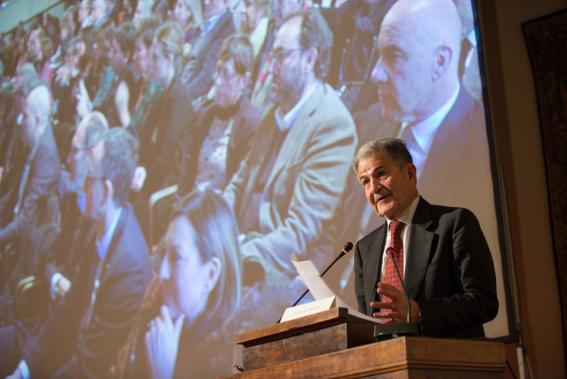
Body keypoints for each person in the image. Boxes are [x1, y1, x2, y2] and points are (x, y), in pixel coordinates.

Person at [224, 9, 357, 286]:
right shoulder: (274, 110)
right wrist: (210, 227)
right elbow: (238, 184)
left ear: (310, 59)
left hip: (275, 270)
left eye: (281, 56)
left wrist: (231, 254)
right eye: (272, 55)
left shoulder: (332, 124)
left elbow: (298, 236)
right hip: (239, 246)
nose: (271, 66)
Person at [6, 128, 152, 378]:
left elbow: (88, 368)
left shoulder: (129, 271)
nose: (82, 183)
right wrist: (23, 370)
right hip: (64, 352)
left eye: (88, 176)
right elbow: (68, 311)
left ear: (106, 192)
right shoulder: (99, 226)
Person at [353, 138, 498, 338]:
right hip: (387, 365)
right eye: (365, 181)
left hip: (447, 362)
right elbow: (367, 324)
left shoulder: (454, 224)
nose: (374, 188)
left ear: (410, 174)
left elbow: (483, 302)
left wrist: (419, 313)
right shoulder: (365, 249)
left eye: (381, 174)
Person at [116, 190, 242, 378]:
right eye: (164, 252)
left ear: (210, 275)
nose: (162, 272)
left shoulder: (232, 364)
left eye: (176, 258)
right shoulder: (153, 315)